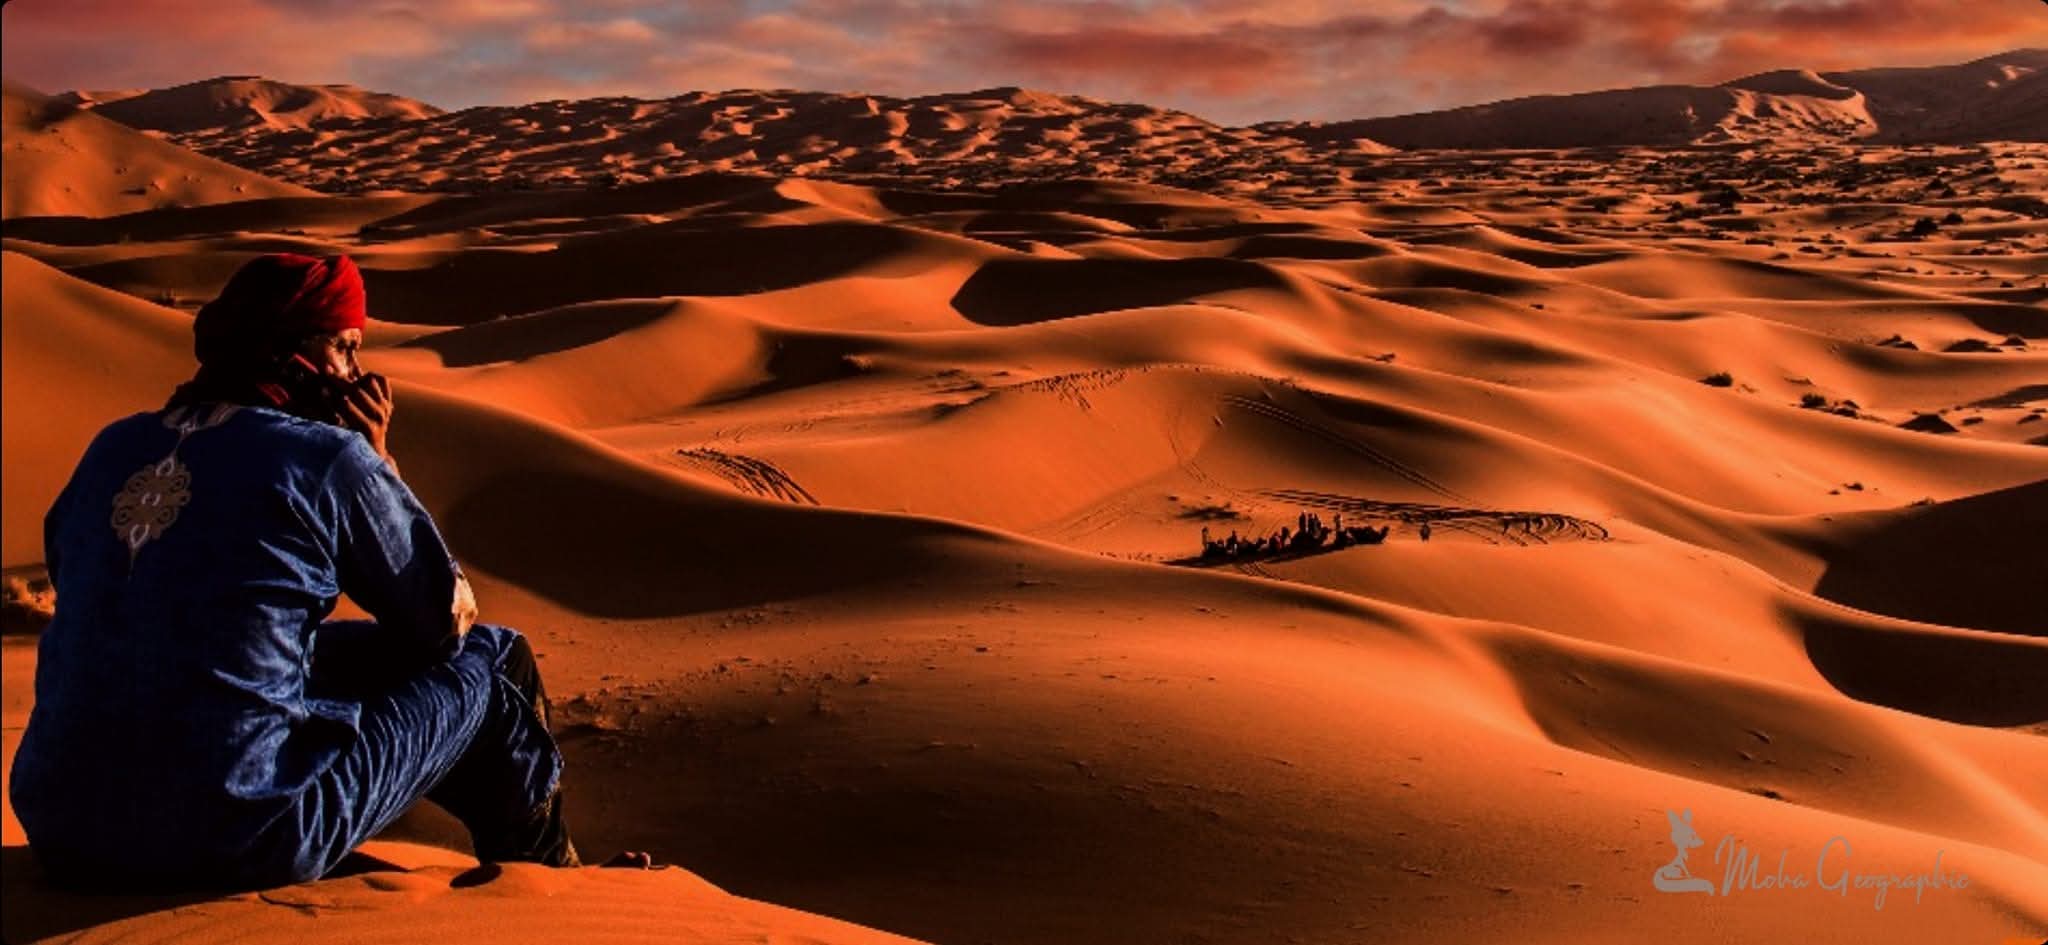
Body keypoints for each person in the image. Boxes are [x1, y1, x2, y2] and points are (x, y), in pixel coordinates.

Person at [10, 254, 632, 892]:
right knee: (495, 660)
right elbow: (442, 621)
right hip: (243, 834)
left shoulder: (113, 446)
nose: (357, 374)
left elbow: (76, 573)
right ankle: (552, 889)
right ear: (288, 353)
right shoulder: (325, 457)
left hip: (64, 830)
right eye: (344, 347)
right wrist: (379, 462)